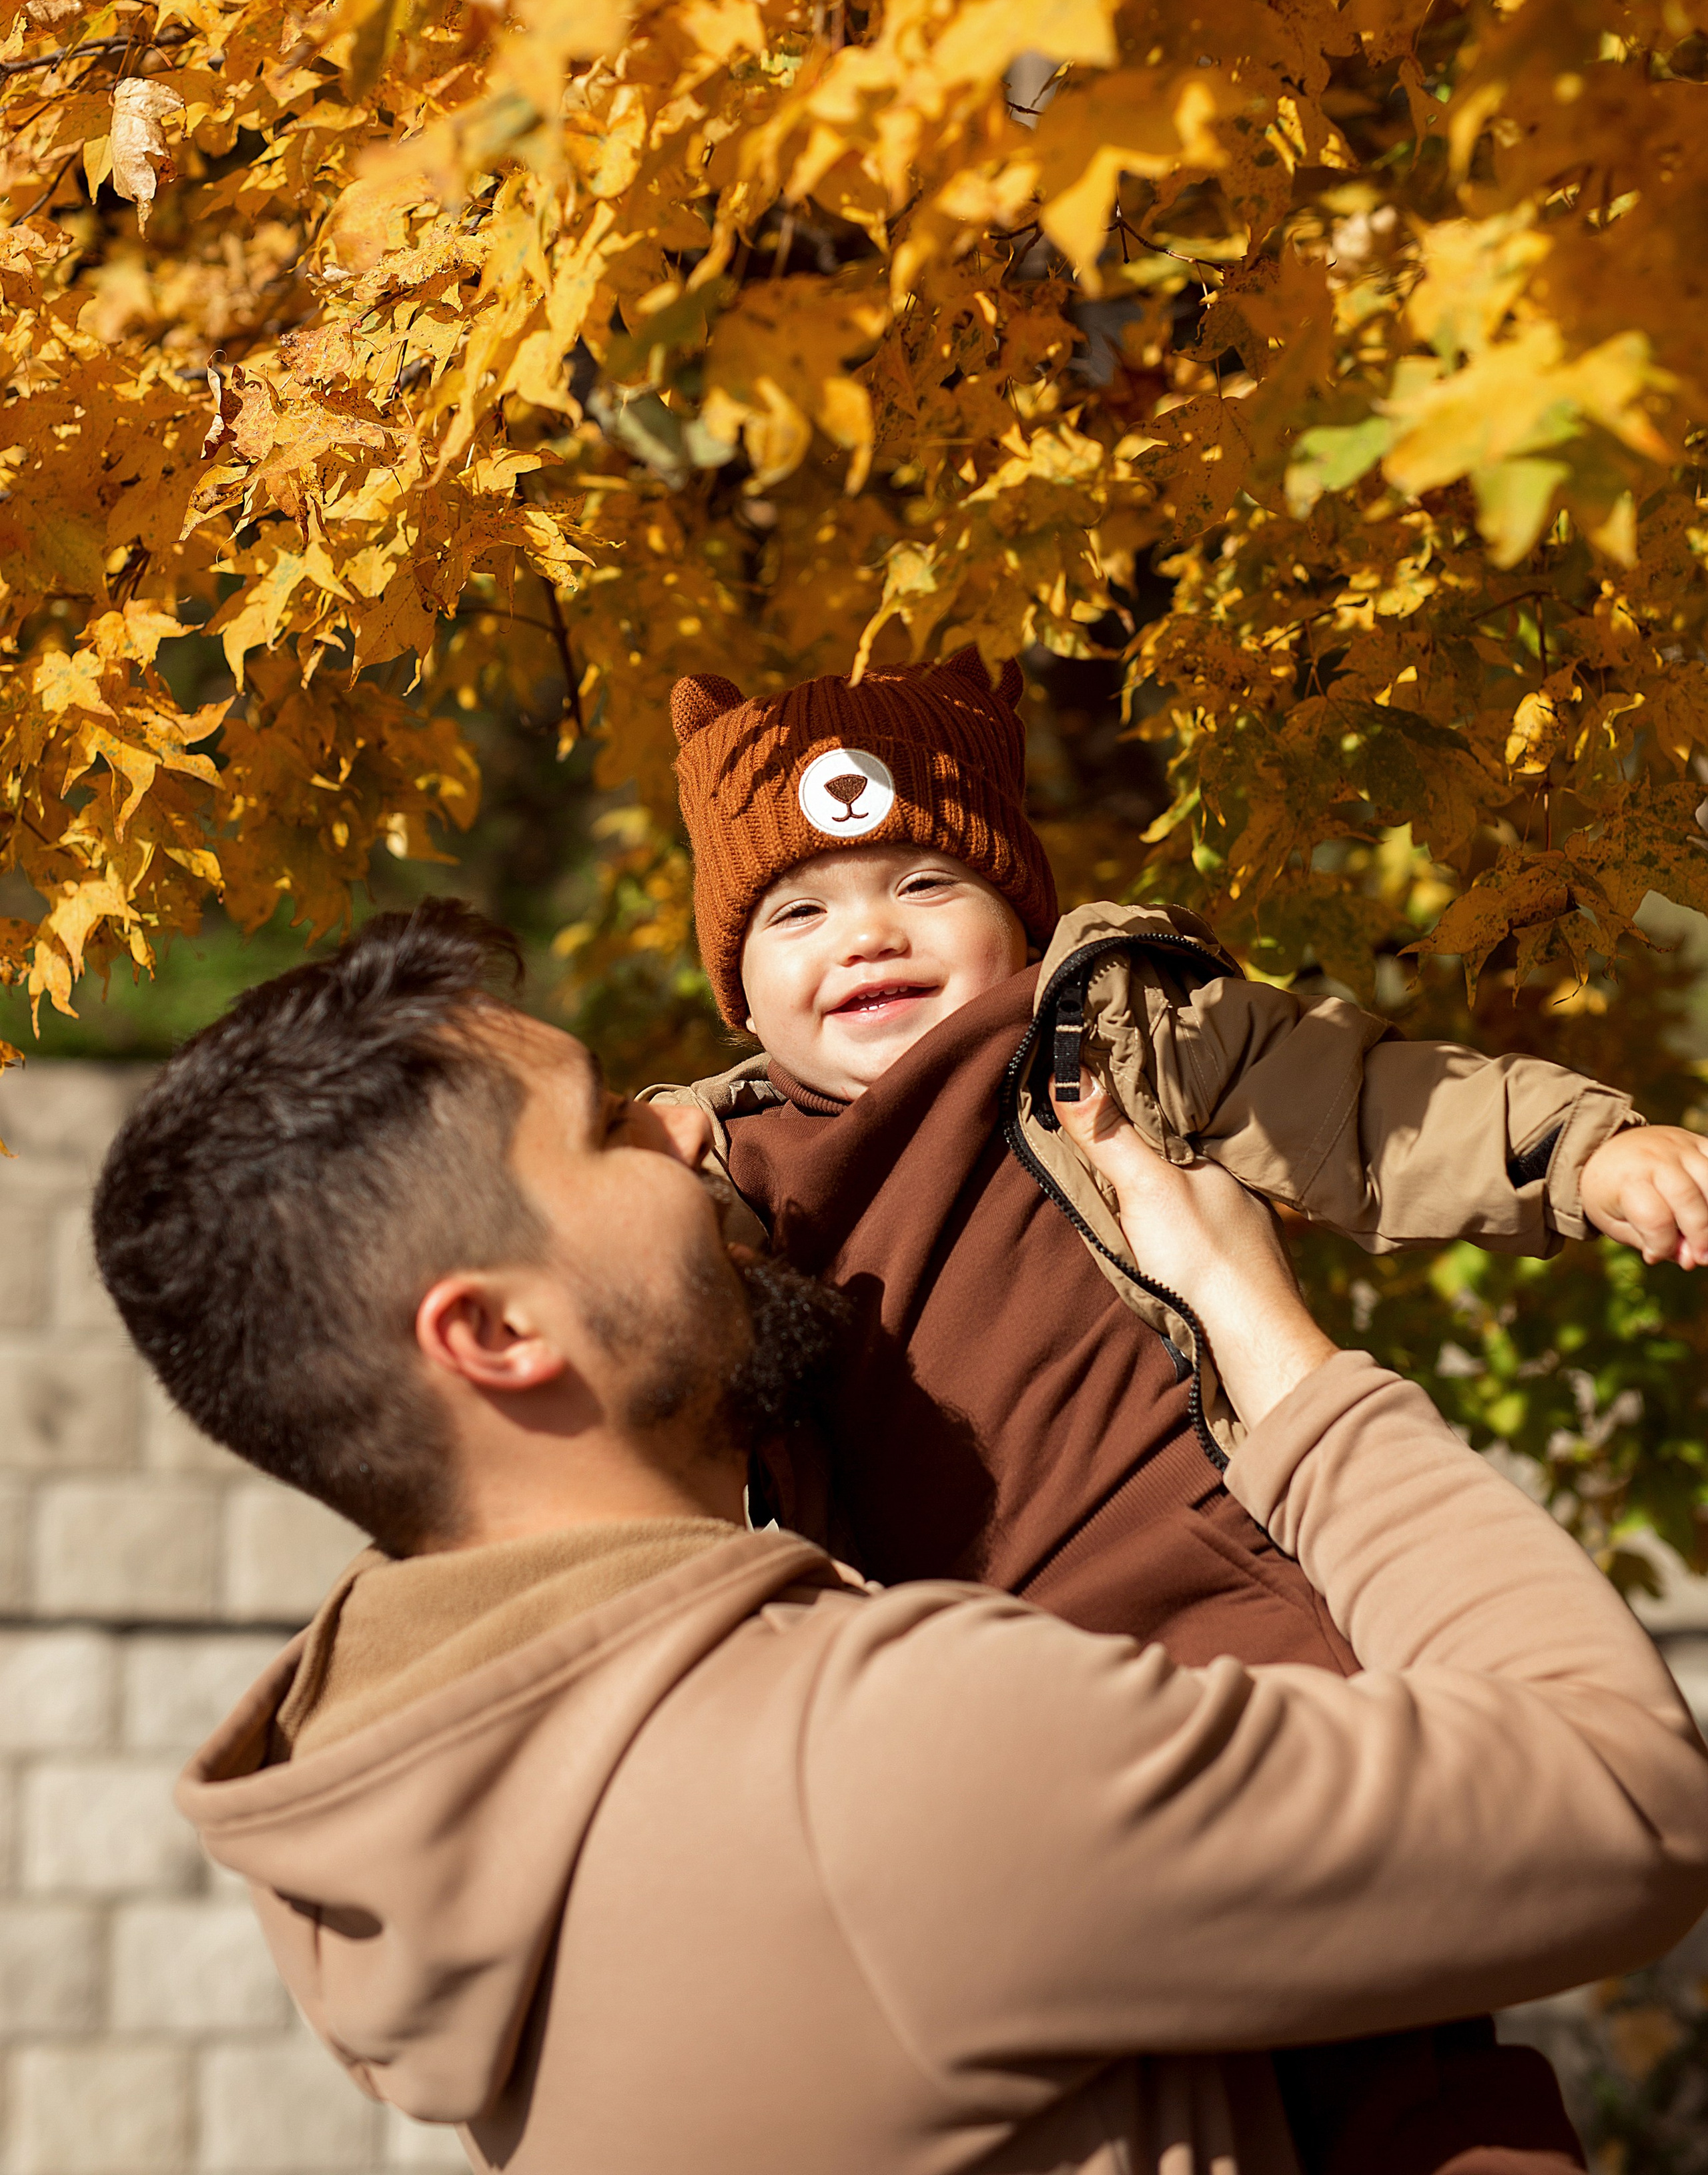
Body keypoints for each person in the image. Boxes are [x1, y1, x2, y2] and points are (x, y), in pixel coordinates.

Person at [90, 902, 1708, 2175]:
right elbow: (1621, 1798)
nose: (685, 1132)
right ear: (498, 1335)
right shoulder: (874, 1755)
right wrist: (1262, 1336)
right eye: (604, 1130)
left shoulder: (413, 1828)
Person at [652, 647, 1708, 2167]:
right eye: (797, 914)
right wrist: (652, 1168)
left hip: (1216, 1616)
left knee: (1382, 2042)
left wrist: (1583, 1155)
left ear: (1020, 910)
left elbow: (1366, 1101)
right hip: (951, 1699)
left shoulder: (1107, 1040)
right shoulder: (727, 1175)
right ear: (736, 982)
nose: (866, 936)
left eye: (924, 884)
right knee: (1114, 2069)